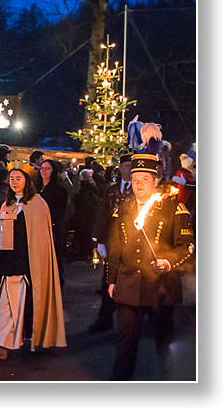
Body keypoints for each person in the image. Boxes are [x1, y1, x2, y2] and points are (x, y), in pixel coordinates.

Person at [106, 153, 195, 381]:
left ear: (155, 181)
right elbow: (115, 246)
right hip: (128, 285)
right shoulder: (124, 207)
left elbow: (187, 247)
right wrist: (112, 280)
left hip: (161, 289)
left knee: (164, 343)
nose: (139, 185)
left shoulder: (173, 207)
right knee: (124, 343)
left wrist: (168, 262)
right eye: (135, 180)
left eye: (145, 180)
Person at [0, 169, 66, 360]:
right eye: (11, 178)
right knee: (6, 304)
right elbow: (2, 234)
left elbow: (40, 241)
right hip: (6, 263)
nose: (14, 182)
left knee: (14, 306)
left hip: (26, 265)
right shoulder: (8, 204)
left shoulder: (38, 204)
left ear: (27, 181)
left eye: (18, 178)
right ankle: (2, 345)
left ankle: (4, 345)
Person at [88, 153, 132, 333]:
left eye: (131, 166)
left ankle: (131, 323)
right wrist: (99, 240)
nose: (128, 169)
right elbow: (102, 215)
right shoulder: (111, 189)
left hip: (131, 243)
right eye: (125, 166)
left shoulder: (138, 189)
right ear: (120, 169)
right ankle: (104, 320)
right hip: (113, 242)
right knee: (108, 281)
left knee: (132, 283)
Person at [37, 159, 68, 287]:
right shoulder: (36, 187)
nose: (44, 171)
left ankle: (56, 283)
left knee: (54, 256)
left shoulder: (59, 190)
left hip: (52, 227)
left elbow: (59, 210)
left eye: (47, 168)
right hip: (37, 228)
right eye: (42, 168)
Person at [70, 168, 101, 261]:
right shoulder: (85, 188)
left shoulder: (90, 187)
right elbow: (86, 202)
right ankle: (85, 253)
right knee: (85, 235)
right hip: (85, 216)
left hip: (87, 215)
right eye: (89, 176)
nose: (91, 178)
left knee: (86, 235)